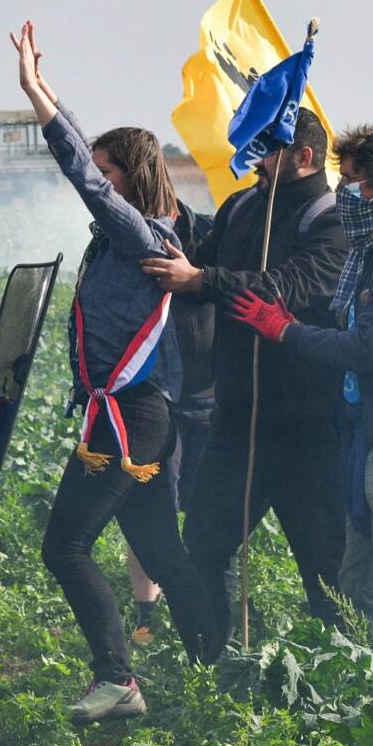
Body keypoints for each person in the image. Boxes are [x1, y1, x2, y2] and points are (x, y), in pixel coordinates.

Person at [10, 20, 218, 725]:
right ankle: (215, 668)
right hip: (139, 414)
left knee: (64, 546)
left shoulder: (138, 231)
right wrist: (47, 90)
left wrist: (37, 104)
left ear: (131, 178)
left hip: (128, 418)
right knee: (161, 548)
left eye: (108, 171)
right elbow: (85, 154)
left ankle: (118, 681)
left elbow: (80, 173)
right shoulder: (129, 231)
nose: (97, 180)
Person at [227, 127, 373, 666]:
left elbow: (370, 348)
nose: (342, 193)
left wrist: (286, 330)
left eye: (351, 180)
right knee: (357, 579)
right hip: (370, 431)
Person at [141, 108, 349, 644]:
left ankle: (344, 680)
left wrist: (200, 278)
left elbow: (285, 289)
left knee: (324, 566)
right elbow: (195, 266)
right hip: (235, 420)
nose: (254, 159)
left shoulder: (334, 221)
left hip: (306, 427)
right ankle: (212, 664)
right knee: (205, 547)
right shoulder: (240, 206)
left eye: (268, 148)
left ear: (304, 157)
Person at [127, 196, 216, 645]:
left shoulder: (207, 234)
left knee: (206, 515)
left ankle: (207, 616)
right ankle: (147, 617)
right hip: (154, 399)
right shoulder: (124, 242)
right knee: (152, 511)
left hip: (204, 397)